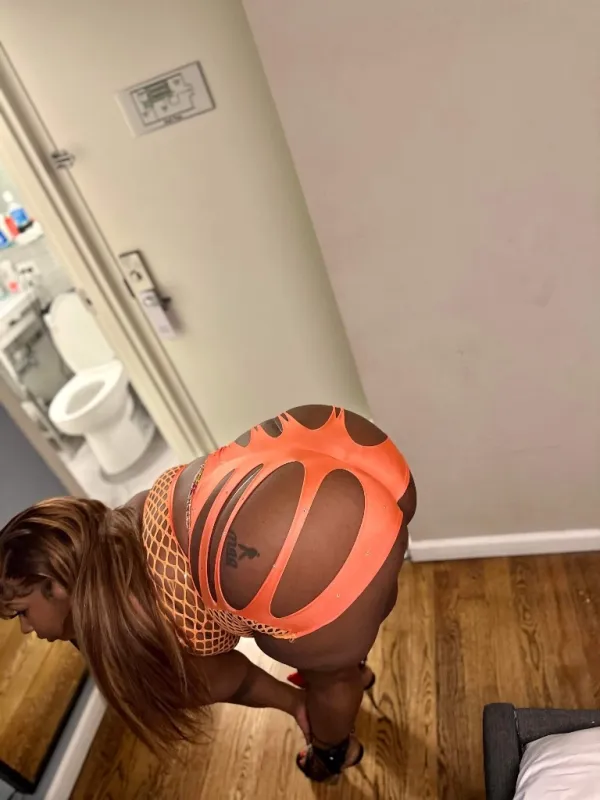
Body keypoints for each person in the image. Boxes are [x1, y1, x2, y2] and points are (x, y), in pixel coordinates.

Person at [0, 405, 416, 782]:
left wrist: (298, 704)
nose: (25, 629)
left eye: (20, 611)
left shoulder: (124, 633)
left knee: (332, 677)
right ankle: (351, 668)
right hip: (329, 445)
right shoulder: (121, 524)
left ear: (55, 585)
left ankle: (335, 753)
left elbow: (236, 681)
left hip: (296, 549)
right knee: (347, 617)